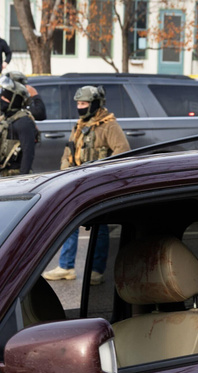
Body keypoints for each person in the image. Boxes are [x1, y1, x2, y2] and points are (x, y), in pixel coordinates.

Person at [43, 86, 129, 286]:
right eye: (78, 104)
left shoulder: (109, 125)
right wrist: (65, 170)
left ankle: (96, 271)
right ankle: (66, 266)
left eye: (84, 104)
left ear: (95, 104)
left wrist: (103, 171)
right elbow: (69, 150)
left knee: (99, 227)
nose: (80, 108)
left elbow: (122, 151)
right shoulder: (80, 125)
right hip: (77, 180)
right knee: (70, 221)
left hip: (98, 182)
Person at [0, 76, 37, 179]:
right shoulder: (4, 119)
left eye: (5, 98)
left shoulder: (23, 122)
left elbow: (28, 154)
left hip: (14, 177)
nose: (1, 100)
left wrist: (22, 179)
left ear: (14, 101)